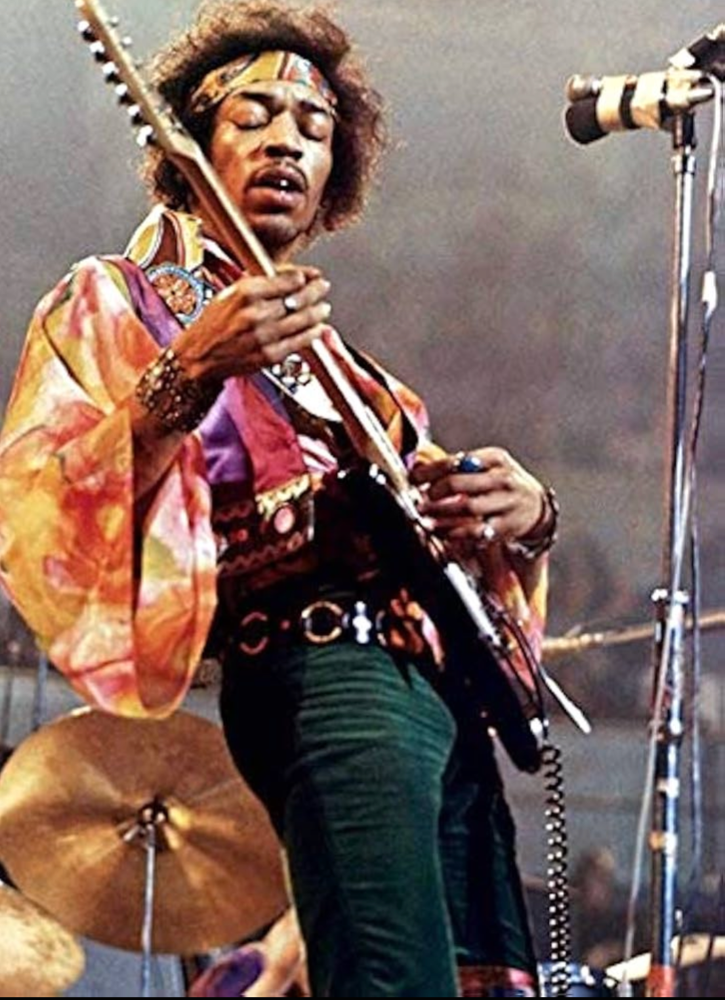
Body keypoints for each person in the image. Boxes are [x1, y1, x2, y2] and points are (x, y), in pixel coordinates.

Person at [0, 1, 559, 995]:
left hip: (439, 698)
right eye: (252, 117)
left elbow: (460, 562)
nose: (285, 143)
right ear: (189, 149)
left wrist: (520, 517)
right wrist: (188, 372)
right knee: (390, 978)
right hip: (323, 667)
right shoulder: (119, 299)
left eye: (313, 128)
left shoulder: (366, 383)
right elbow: (43, 502)